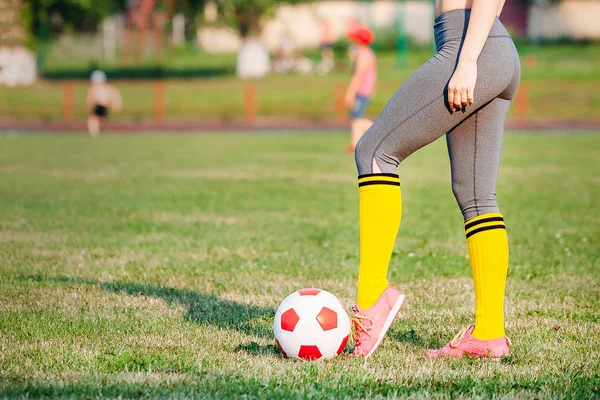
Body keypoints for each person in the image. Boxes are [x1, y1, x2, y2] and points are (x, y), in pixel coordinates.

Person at [350, 0, 520, 359]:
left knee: (374, 153)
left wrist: (468, 61)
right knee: (475, 196)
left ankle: (372, 296)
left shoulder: (470, 53)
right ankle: (489, 334)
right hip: (490, 49)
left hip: (472, 47)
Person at [345, 25, 377, 154]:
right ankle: (355, 145)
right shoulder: (366, 53)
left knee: (357, 119)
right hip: (365, 90)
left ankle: (378, 131)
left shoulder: (363, 54)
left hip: (361, 90)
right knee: (355, 118)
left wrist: (350, 93)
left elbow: (358, 75)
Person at [86, 70, 122, 136]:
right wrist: (116, 104)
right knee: (101, 119)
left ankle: (94, 133)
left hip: (99, 104)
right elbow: (115, 95)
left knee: (93, 119)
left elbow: (91, 97)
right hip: (105, 105)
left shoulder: (95, 87)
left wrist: (89, 104)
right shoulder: (107, 87)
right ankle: (103, 131)